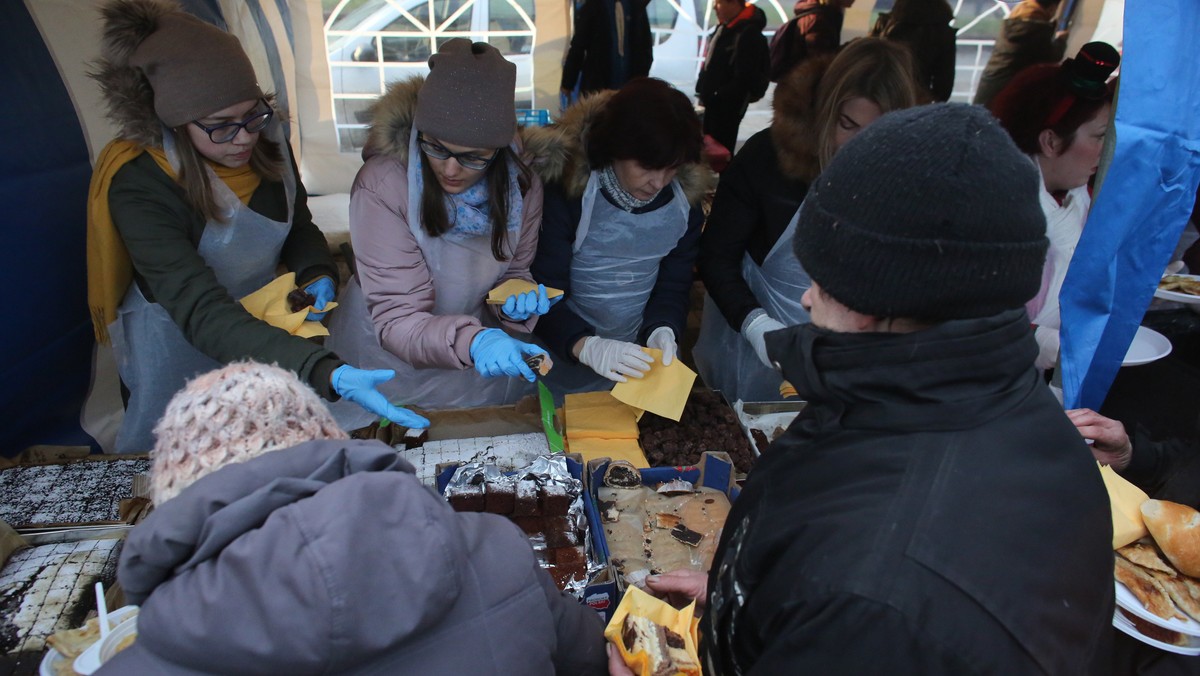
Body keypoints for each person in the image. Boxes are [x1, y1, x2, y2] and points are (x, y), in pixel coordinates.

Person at [615, 105, 1116, 673]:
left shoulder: (871, 601)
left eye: (822, 280)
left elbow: (872, 601)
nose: (805, 299)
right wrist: (756, 598)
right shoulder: (1024, 418)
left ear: (874, 299)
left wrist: (816, 614)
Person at [98, 362, 607, 675]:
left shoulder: (147, 660)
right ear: (328, 443)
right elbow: (595, 657)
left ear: (177, 502)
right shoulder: (497, 551)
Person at [87, 0, 426, 453]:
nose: (245, 136)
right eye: (221, 126)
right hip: (178, 341)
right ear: (175, 120)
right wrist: (322, 369)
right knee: (194, 458)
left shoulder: (268, 139)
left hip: (265, 333)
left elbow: (298, 222)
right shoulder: (142, 183)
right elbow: (200, 309)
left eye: (253, 115)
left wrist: (316, 272)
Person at [326, 39, 550, 428]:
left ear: (499, 151)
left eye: (473, 157)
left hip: (473, 368)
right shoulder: (383, 185)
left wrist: (515, 300)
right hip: (386, 360)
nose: (450, 170)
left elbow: (514, 271)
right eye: (435, 148)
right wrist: (476, 341)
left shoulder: (523, 186)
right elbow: (397, 317)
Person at [694, 37, 922, 403]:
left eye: (878, 133)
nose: (858, 147)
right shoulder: (768, 158)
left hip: (849, 353)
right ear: (826, 112)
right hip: (755, 336)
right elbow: (716, 255)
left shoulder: (909, 179)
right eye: (847, 125)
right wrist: (758, 327)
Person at [524, 78, 710, 397]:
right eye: (647, 167)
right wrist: (585, 345)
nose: (659, 183)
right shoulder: (567, 194)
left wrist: (662, 327)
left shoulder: (684, 204)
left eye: (672, 169)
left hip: (633, 361)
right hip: (556, 353)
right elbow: (541, 288)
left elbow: (673, 282)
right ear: (615, 148)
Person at [990, 41, 1120, 371]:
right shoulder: (998, 209)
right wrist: (1051, 345)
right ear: (1050, 141)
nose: (1106, 151)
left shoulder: (1076, 196)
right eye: (1099, 136)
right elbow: (970, 322)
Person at [696, 0, 770, 154]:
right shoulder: (724, 28)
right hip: (713, 102)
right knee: (709, 149)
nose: (715, 8)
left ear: (734, 3)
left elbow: (745, 76)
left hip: (727, 106)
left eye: (719, 3)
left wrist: (719, 95)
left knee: (721, 151)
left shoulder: (748, 33)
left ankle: (722, 177)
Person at [971, 0, 1068, 108]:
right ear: (1052, 7)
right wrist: (1061, 40)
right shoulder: (1036, 27)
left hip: (991, 81)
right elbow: (1051, 57)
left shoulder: (1019, 14)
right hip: (1007, 89)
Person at [559, 0, 653, 100]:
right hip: (599, 88)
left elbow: (646, 47)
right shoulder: (593, 6)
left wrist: (640, 80)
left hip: (628, 88)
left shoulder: (636, 7)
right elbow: (578, 47)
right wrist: (568, 83)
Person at [872, 0, 957, 102]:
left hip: (884, 95)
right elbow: (944, 86)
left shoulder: (886, 24)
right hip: (919, 100)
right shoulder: (943, 31)